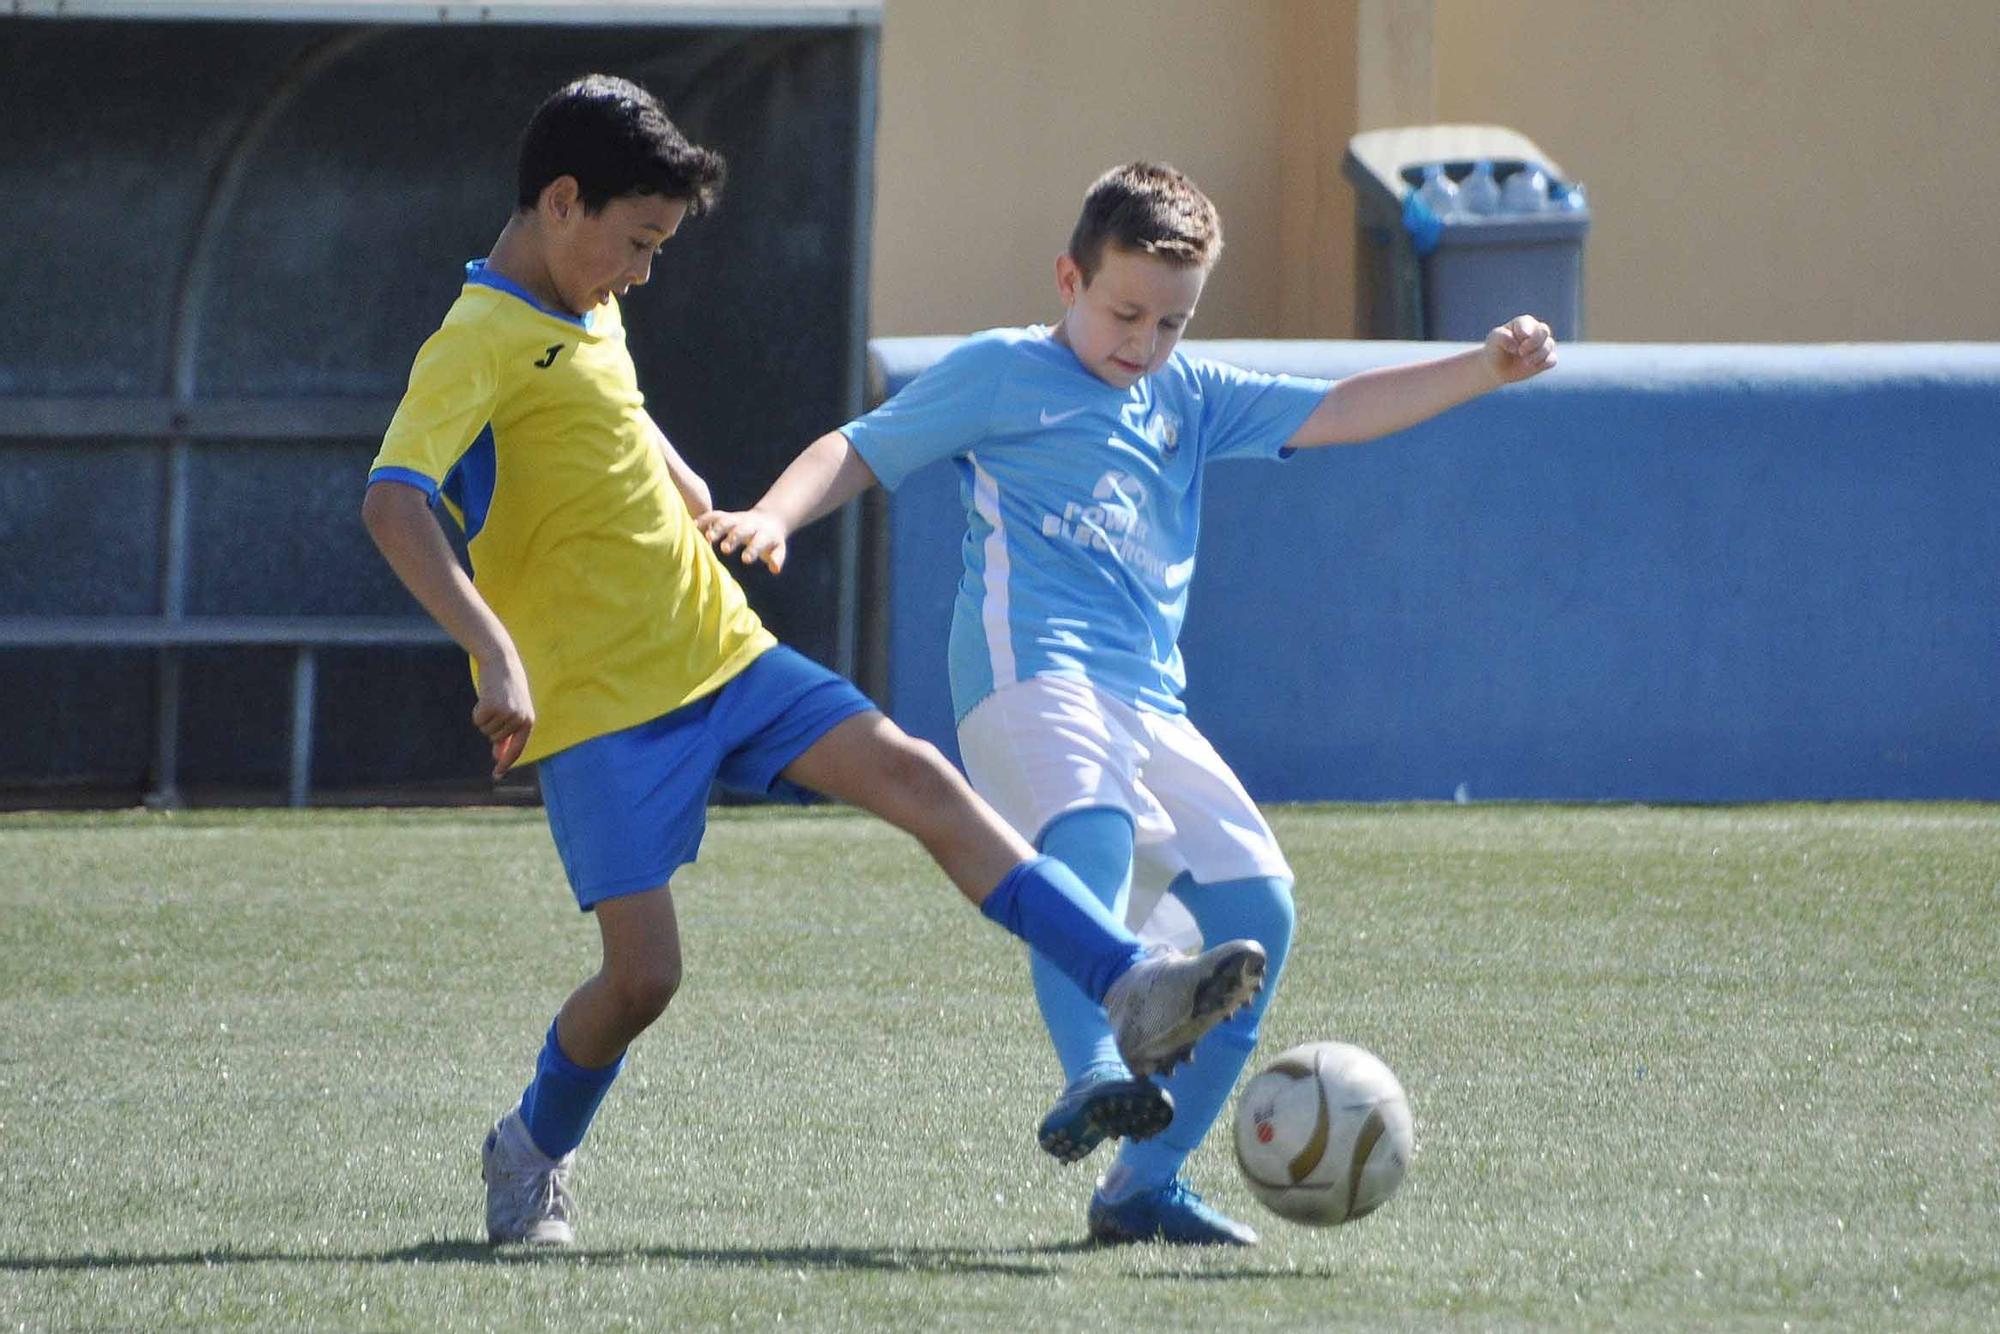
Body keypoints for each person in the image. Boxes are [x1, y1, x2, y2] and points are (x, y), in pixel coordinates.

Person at [361, 89, 1270, 1248]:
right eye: (637, 243)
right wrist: (494, 650)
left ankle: (1126, 980)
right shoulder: (475, 338)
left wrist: (685, 486)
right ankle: (530, 1147)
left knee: (919, 775)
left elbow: (604, 407)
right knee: (642, 978)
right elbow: (394, 502)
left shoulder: (580, 300)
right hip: (597, 710)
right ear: (558, 203)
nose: (642, 271)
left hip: (721, 652)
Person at [697, 161, 1556, 1246]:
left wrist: (1480, 365)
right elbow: (857, 449)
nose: (1143, 340)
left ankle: (1140, 1184)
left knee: (1260, 909)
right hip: (1030, 679)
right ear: (1068, 277)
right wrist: (772, 514)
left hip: (1148, 702)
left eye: (1170, 320)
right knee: (1088, 836)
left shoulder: (1185, 394)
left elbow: (1340, 408)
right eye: (1123, 310)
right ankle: (1093, 1069)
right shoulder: (1002, 371)